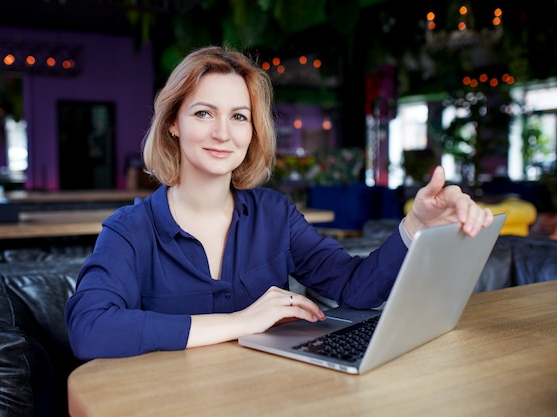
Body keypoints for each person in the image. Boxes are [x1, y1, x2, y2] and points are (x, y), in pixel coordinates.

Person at [65, 46, 493, 360]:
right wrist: (241, 321)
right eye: (203, 113)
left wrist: (415, 224)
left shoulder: (275, 215)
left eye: (238, 116)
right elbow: (89, 329)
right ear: (173, 123)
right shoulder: (130, 229)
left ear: (253, 131)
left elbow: (355, 288)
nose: (222, 133)